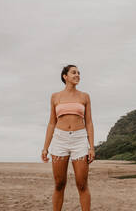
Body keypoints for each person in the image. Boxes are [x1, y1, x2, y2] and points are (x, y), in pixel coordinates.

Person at [41, 65, 95, 211]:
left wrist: (91, 147)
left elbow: (89, 122)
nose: (77, 75)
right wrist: (45, 147)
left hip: (79, 139)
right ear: (65, 76)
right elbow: (52, 123)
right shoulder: (55, 97)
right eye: (73, 72)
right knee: (59, 184)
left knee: (82, 184)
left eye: (78, 73)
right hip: (60, 139)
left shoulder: (84, 96)